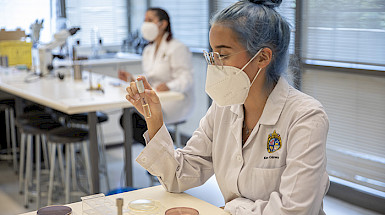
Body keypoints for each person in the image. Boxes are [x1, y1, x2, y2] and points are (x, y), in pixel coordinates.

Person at [125, 0, 329, 214]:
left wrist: (229, 210)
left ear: (262, 57)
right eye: (212, 54)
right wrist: (154, 118)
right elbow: (178, 176)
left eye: (222, 55)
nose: (214, 65)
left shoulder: (306, 116)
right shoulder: (224, 107)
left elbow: (295, 210)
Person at [119, 7, 194, 125]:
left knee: (131, 121)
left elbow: (187, 79)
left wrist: (169, 86)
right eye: (145, 20)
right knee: (128, 119)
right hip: (155, 98)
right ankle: (159, 143)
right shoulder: (148, 50)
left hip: (174, 102)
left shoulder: (177, 47)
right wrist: (133, 79)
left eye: (150, 20)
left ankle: (163, 143)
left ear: (163, 24)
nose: (145, 24)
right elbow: (151, 76)